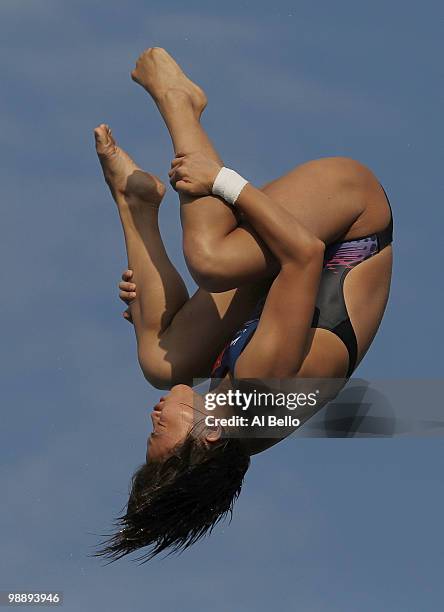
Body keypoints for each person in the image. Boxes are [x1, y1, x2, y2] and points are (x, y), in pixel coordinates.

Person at [93, 48, 393, 562]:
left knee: (162, 362)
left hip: (285, 277)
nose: (154, 417)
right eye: (159, 430)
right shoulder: (260, 385)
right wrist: (221, 180)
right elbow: (304, 254)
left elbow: (253, 306)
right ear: (208, 434)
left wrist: (176, 317)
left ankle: (135, 205)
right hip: (349, 220)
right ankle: (179, 101)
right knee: (213, 259)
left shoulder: (236, 427)